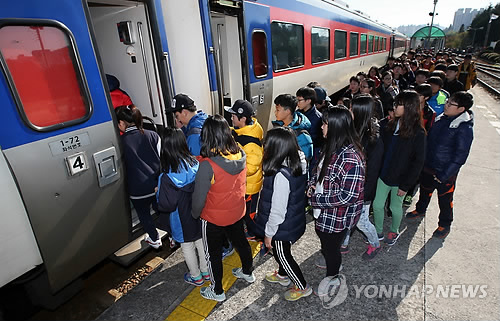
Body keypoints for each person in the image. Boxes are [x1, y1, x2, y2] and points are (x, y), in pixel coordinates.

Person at [192, 115, 255, 302]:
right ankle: (247, 272)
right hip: (236, 211)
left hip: (213, 219)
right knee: (241, 243)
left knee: (213, 255)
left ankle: (217, 291)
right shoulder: (240, 153)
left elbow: (199, 198)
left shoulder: (207, 165)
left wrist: (195, 213)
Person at [309, 106, 365, 294]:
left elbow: (348, 196)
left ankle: (332, 277)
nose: (322, 127)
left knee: (332, 248)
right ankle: (331, 262)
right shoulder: (332, 145)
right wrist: (312, 185)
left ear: (335, 126)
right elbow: (319, 170)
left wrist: (316, 199)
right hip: (324, 211)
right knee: (326, 243)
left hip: (336, 216)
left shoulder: (350, 158)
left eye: (325, 124)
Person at [253, 127, 311, 301]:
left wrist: (269, 234)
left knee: (282, 254)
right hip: (293, 219)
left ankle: (302, 286)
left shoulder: (280, 175)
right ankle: (282, 275)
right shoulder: (298, 163)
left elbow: (277, 210)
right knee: (283, 250)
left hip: (281, 226)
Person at [406, 92, 474, 238]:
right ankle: (420, 209)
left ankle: (445, 224)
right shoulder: (442, 117)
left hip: (444, 172)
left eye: (450, 104)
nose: (446, 105)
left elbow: (460, 156)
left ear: (461, 109)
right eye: (447, 102)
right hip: (429, 165)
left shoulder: (464, 128)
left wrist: (444, 175)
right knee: (425, 190)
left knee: (445, 199)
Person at [371, 91, 426, 246]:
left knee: (395, 207)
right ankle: (378, 230)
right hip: (384, 175)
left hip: (400, 180)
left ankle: (394, 230)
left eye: (399, 104)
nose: (395, 107)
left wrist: (406, 185)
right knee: (377, 205)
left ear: (409, 107)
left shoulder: (418, 132)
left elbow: (418, 162)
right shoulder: (390, 124)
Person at [156, 127, 208, 286]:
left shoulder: (167, 176)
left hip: (180, 218)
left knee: (187, 246)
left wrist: (159, 192)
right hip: (199, 212)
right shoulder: (195, 163)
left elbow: (167, 204)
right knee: (200, 242)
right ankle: (206, 272)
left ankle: (196, 276)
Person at [340, 95, 384, 260]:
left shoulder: (373, 138)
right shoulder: (355, 130)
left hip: (363, 190)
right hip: (351, 186)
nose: (349, 111)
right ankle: (343, 243)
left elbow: (373, 171)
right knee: (346, 216)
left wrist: (364, 193)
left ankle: (375, 243)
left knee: (361, 221)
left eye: (351, 109)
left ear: (359, 112)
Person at [115, 105, 161, 249]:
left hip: (137, 189)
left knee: (144, 215)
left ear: (122, 123)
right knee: (160, 210)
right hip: (155, 185)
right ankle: (173, 236)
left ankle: (154, 239)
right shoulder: (153, 135)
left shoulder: (120, 142)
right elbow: (162, 159)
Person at [224, 100, 264, 237]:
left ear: (243, 118)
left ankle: (256, 234)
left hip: (250, 187)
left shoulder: (251, 143)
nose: (231, 118)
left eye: (233, 116)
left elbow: (251, 168)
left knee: (250, 214)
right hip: (244, 185)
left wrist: (232, 164)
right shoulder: (241, 131)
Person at [272, 94, 313, 161]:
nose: (275, 113)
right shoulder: (279, 125)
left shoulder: (301, 135)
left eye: (278, 110)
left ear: (288, 111)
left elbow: (305, 159)